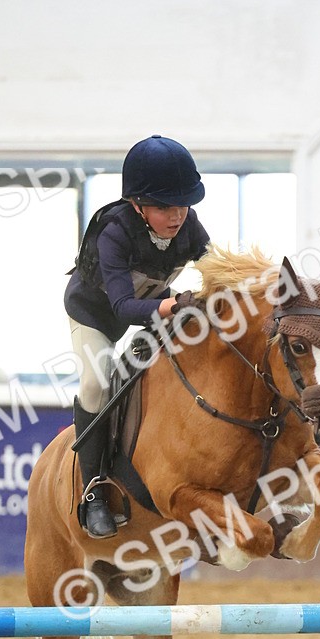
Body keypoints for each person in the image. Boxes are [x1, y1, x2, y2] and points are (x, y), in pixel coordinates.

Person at [64, 134, 210, 537]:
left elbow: (214, 268)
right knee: (98, 379)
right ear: (137, 205)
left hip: (154, 306)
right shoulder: (113, 233)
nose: (177, 214)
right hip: (97, 315)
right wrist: (171, 306)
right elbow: (122, 308)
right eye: (164, 206)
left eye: (182, 203)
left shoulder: (188, 225)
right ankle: (93, 491)